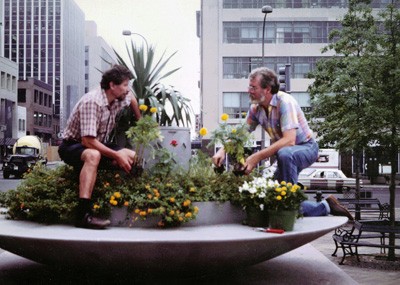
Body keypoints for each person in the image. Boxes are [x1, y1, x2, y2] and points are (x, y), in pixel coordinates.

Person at [212, 67, 353, 220]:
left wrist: (256, 158)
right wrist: (222, 151)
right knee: (269, 197)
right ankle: (325, 206)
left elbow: (289, 140)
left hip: (306, 148)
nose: (249, 91)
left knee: (284, 155)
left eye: (253, 87)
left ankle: (289, 205)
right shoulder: (255, 109)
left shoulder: (285, 102)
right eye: (249, 87)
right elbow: (240, 134)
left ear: (267, 89)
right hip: (286, 154)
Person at [59, 65, 142, 229]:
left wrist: (140, 121)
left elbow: (131, 98)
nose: (128, 89)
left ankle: (136, 202)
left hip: (97, 144)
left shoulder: (118, 97)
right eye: (125, 85)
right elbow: (88, 141)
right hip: (73, 145)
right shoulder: (93, 101)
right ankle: (83, 215)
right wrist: (116, 155)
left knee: (134, 157)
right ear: (112, 85)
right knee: (93, 155)